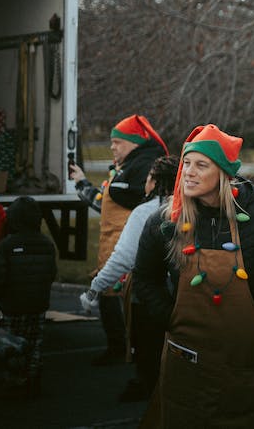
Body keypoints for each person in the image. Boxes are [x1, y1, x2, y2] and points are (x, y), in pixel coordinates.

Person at [132, 124, 254, 427]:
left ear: (223, 172)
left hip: (247, 362)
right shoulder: (164, 223)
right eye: (186, 163)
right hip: (186, 362)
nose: (188, 172)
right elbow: (145, 277)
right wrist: (167, 316)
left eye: (201, 165)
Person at [69, 114, 168, 365]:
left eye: (117, 142)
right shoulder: (129, 167)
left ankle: (129, 354)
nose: (112, 146)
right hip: (113, 246)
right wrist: (82, 183)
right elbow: (106, 204)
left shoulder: (143, 168)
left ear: (134, 143)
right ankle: (123, 349)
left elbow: (134, 206)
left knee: (124, 299)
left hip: (126, 250)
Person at [80, 155, 179, 402]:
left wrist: (95, 287)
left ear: (155, 181)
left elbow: (123, 258)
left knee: (148, 347)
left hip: (148, 295)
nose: (144, 183)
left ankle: (148, 388)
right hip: (185, 292)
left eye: (147, 178)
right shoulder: (192, 208)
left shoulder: (145, 212)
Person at [0, 197, 57, 399]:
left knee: (13, 344)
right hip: (38, 305)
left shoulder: (6, 246)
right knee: (35, 342)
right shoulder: (47, 244)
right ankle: (33, 377)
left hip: (13, 306)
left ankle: (16, 381)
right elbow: (51, 273)